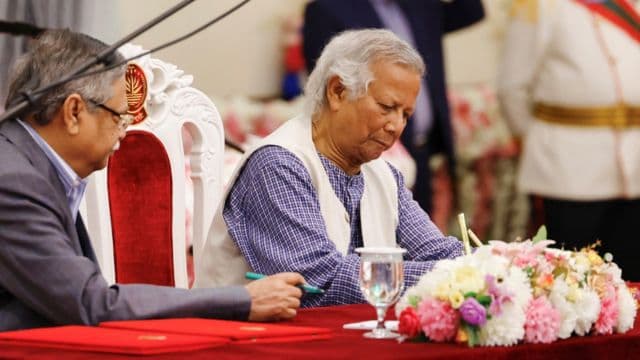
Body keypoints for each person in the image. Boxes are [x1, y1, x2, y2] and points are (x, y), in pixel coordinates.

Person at [0, 29, 305, 332]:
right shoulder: (13, 181)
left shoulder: (27, 163)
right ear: (74, 111)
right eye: (119, 117)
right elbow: (90, 302)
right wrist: (241, 300)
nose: (124, 131)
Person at [195, 29, 464, 307]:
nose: (397, 126)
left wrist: (494, 265)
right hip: (247, 343)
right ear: (337, 91)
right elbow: (319, 284)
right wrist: (456, 274)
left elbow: (435, 250)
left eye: (406, 114)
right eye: (387, 107)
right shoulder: (277, 165)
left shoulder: (385, 175)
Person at [497, 0, 640, 280]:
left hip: (634, 167)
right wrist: (544, 147)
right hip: (567, 171)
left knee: (632, 280)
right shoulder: (539, 5)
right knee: (571, 283)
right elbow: (512, 89)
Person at [302, 0, 485, 214]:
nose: (398, 122)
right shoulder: (328, 9)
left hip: (423, 153)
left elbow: (471, 10)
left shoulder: (420, 5)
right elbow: (325, 89)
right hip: (366, 158)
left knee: (418, 239)